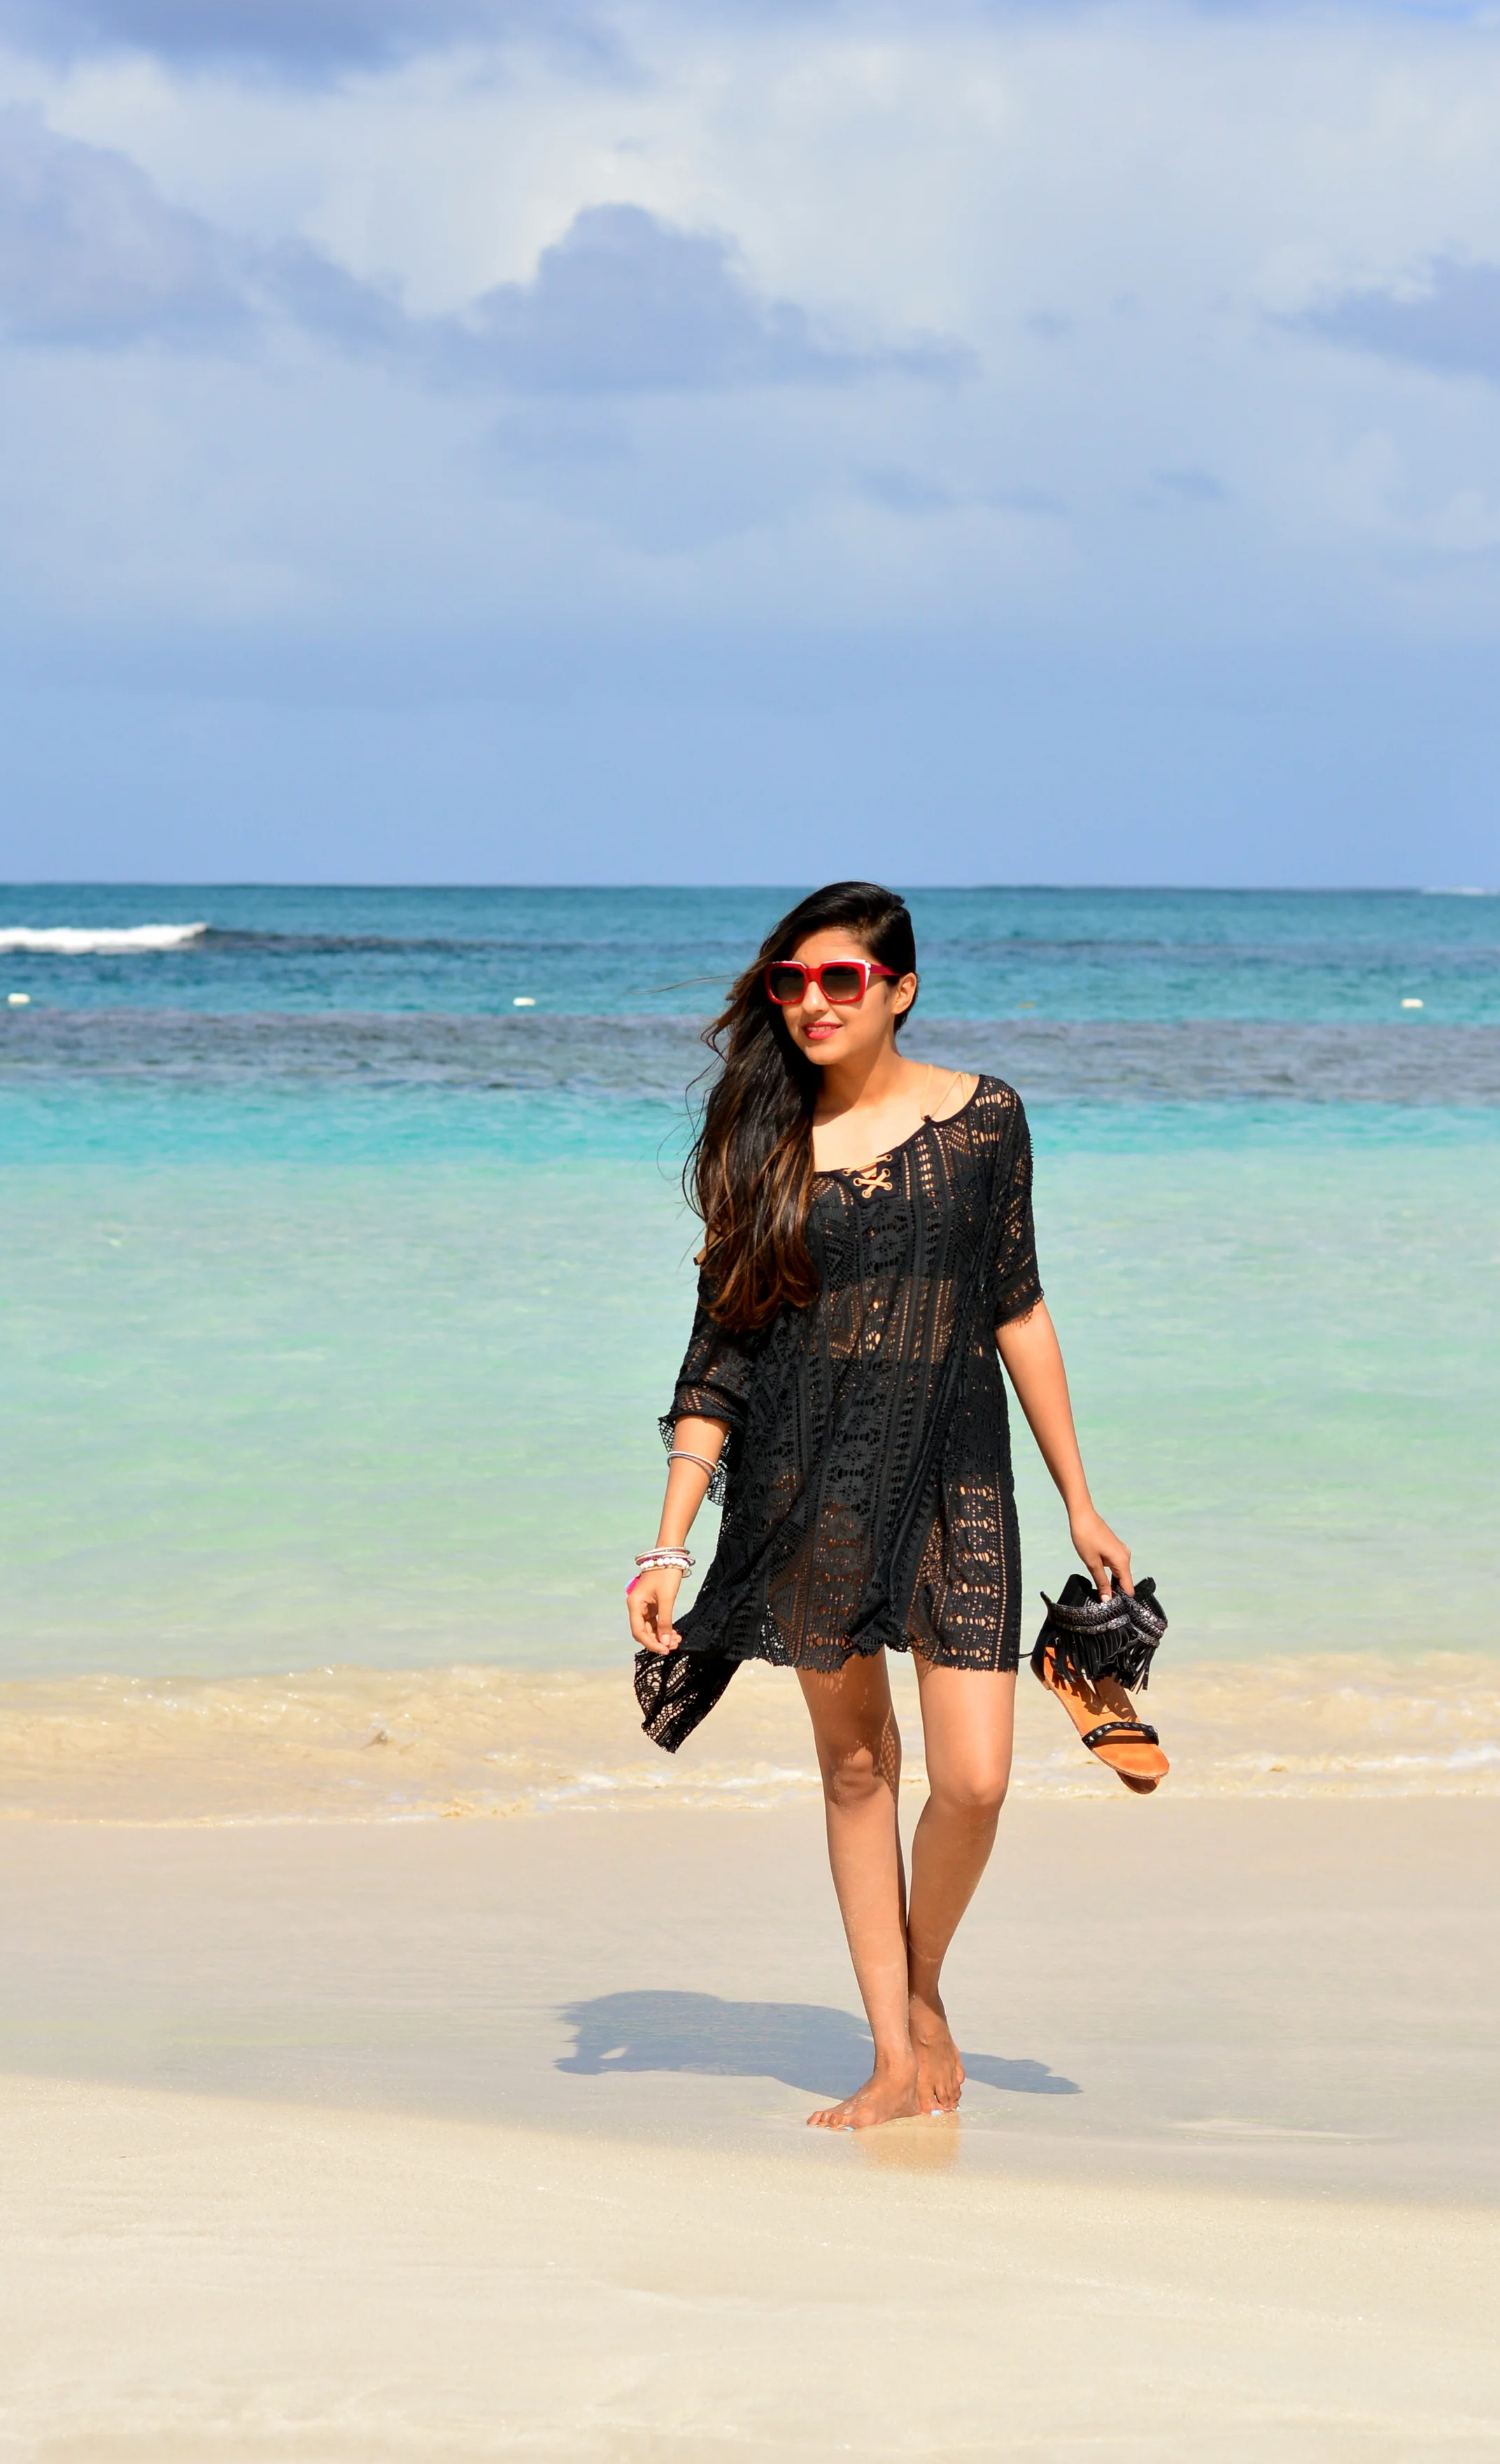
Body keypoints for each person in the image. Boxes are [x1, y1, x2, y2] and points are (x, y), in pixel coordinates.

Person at [628, 882, 1133, 2131]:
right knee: (857, 1770)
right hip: (807, 1484)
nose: (812, 1003)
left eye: (839, 980)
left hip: (959, 1474)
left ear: (899, 990)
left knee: (974, 1780)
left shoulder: (985, 1119)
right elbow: (718, 1360)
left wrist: (1081, 1500)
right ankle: (893, 2059)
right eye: (791, 982)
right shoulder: (762, 1152)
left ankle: (923, 1985)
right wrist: (667, 1542)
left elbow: (1017, 1304)